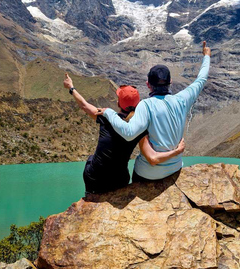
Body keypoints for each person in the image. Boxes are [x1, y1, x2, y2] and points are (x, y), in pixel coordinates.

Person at [96, 41, 211, 182]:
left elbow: (128, 133)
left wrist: (109, 113)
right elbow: (201, 79)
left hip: (148, 174)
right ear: (171, 82)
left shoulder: (146, 105)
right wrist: (206, 56)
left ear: (148, 85)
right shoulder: (182, 99)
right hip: (174, 168)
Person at [63, 74, 185, 195]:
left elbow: (84, 105)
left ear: (118, 103)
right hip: (119, 179)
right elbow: (152, 157)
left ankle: (90, 199)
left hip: (96, 177)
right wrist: (176, 151)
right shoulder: (140, 128)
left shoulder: (106, 117)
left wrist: (71, 88)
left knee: (91, 161)